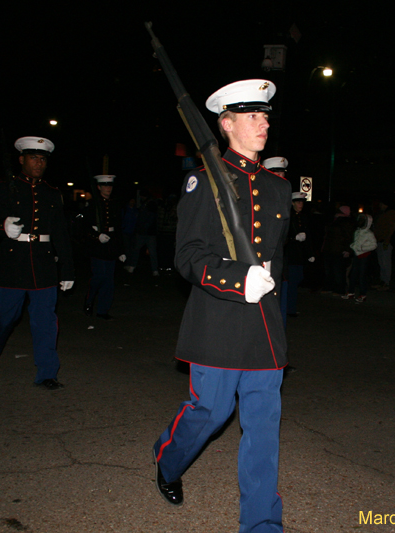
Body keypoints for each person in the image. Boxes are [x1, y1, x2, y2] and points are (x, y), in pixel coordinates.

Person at [151, 79, 290, 533]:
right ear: (226, 124)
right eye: (252, 116)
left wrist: (267, 278)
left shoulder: (277, 186)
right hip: (218, 319)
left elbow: (276, 254)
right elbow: (188, 255)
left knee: (263, 429)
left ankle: (261, 524)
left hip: (264, 324)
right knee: (210, 411)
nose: (263, 123)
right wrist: (237, 278)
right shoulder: (203, 181)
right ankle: (168, 460)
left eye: (265, 115)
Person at [0, 137, 75, 390]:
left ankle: (47, 373)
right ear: (21, 159)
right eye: (33, 158)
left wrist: (67, 268)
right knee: (4, 318)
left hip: (43, 265)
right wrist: (2, 227)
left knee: (45, 322)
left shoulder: (52, 193)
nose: (39, 163)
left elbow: (60, 233)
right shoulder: (4, 189)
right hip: (11, 264)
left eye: (43, 159)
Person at [83, 175, 126, 319]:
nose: (108, 188)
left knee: (109, 281)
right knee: (99, 277)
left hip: (111, 245)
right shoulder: (92, 204)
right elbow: (83, 227)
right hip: (97, 246)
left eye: (110, 185)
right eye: (105, 185)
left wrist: (121, 250)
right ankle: (89, 300)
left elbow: (118, 228)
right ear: (99, 187)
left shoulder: (115, 204)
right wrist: (97, 236)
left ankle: (102, 310)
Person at [282, 189, 315, 320]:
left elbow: (308, 237)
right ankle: (289, 308)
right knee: (291, 282)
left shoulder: (303, 217)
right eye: (298, 202)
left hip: (299, 254)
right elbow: (282, 236)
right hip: (289, 254)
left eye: (302, 202)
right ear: (292, 203)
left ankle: (290, 307)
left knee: (297, 279)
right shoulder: (288, 216)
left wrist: (310, 253)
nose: (301, 205)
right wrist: (293, 238)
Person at [343, 213, 377, 303]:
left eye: (363, 220)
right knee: (353, 274)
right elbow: (355, 242)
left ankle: (363, 294)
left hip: (364, 256)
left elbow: (374, 245)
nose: (360, 222)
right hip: (356, 255)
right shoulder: (357, 231)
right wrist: (353, 246)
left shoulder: (369, 233)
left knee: (362, 276)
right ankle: (351, 292)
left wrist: (362, 248)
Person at [372, 200, 395, 290]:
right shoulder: (382, 213)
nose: (380, 205)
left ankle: (386, 282)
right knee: (381, 262)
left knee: (385, 262)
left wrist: (387, 241)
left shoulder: (391, 213)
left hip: (385, 241)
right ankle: (382, 281)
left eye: (381, 203)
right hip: (380, 241)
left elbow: (392, 228)